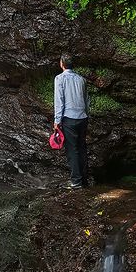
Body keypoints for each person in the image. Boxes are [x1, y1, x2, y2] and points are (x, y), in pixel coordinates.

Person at [53, 54, 90, 189]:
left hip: (69, 118)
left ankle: (76, 181)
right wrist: (87, 116)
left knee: (72, 150)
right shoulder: (81, 79)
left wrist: (57, 121)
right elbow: (86, 101)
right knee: (82, 148)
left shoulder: (60, 79)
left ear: (62, 64)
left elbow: (59, 101)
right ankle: (84, 180)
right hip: (83, 118)